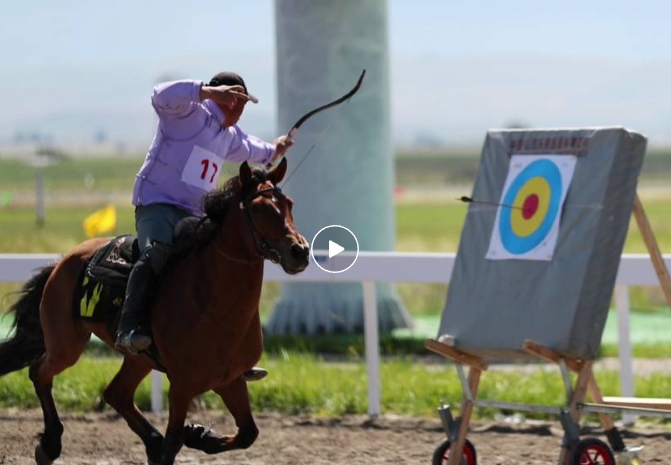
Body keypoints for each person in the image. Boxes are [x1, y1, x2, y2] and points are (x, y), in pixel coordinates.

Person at [114, 72, 293, 379]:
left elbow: (256, 149)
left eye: (243, 101)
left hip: (194, 216)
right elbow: (159, 95)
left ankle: (228, 354)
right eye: (234, 98)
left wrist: (276, 149)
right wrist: (208, 92)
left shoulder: (230, 136)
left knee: (220, 265)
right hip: (157, 204)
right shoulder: (189, 113)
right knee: (156, 254)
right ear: (224, 95)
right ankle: (128, 328)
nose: (238, 106)